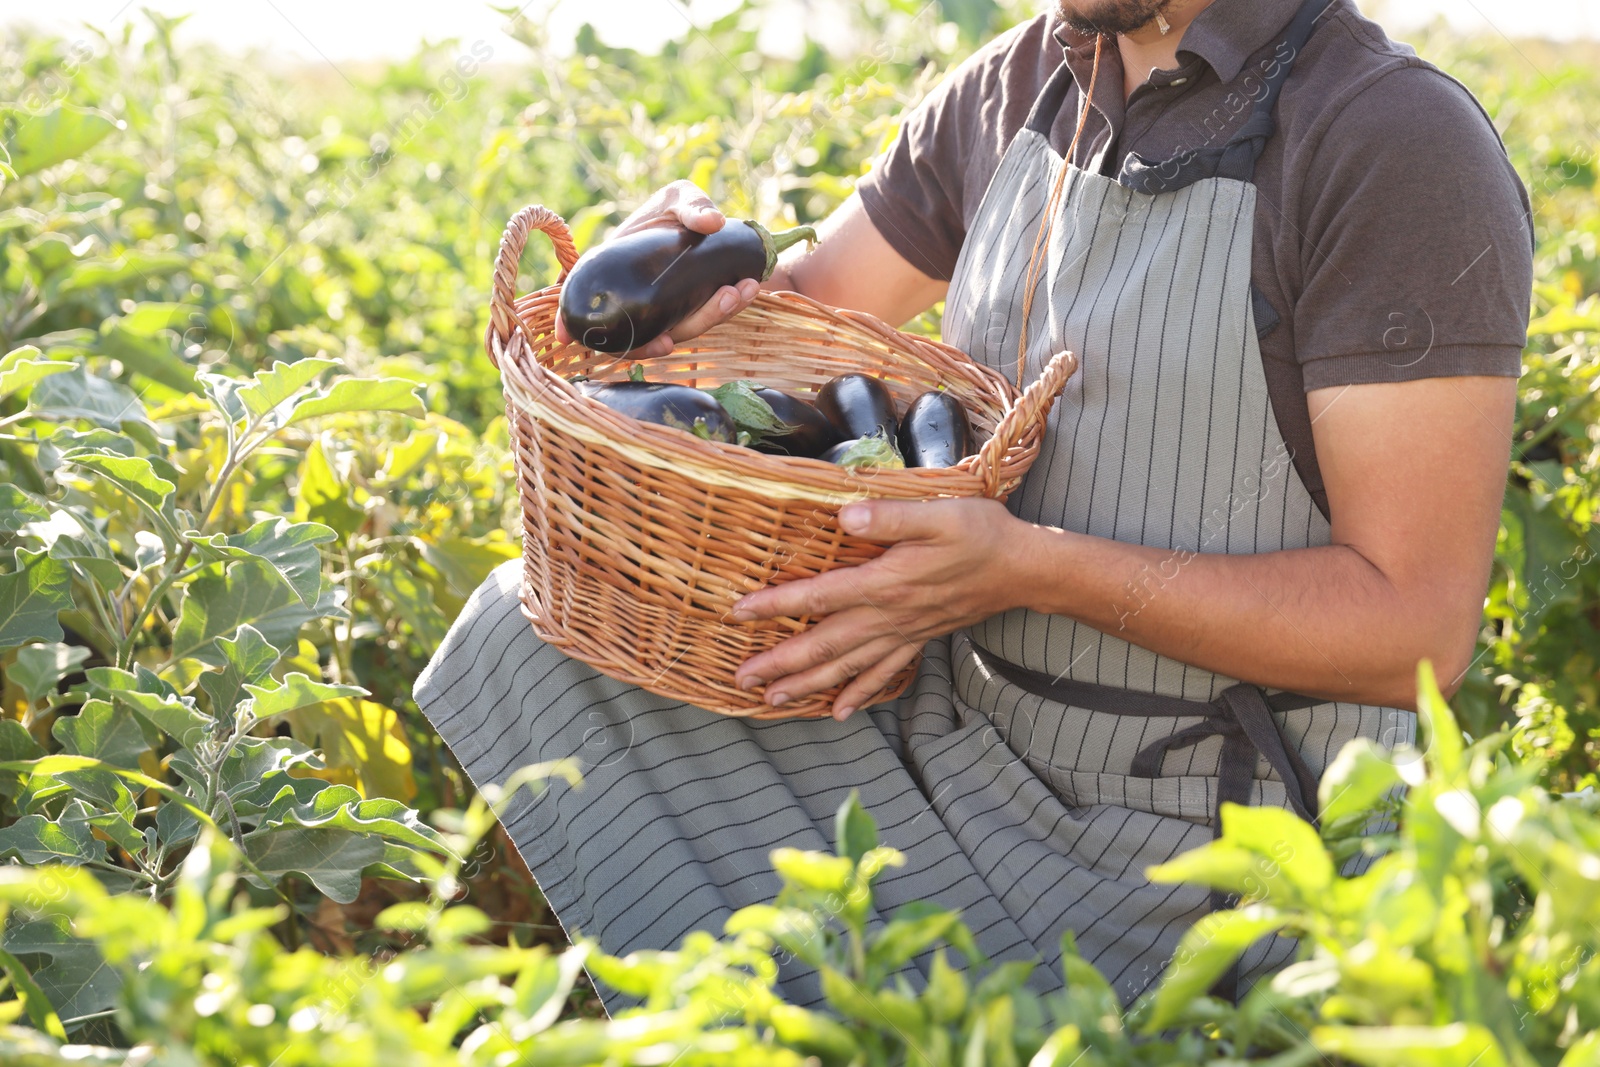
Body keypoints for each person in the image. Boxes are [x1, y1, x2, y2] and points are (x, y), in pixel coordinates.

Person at [416, 0, 1533, 1011]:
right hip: (970, 740)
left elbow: (1413, 628)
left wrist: (1026, 567)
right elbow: (805, 320)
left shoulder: (1391, 145)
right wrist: (679, 285)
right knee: (529, 633)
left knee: (818, 989)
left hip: (1205, 842)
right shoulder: (1025, 78)